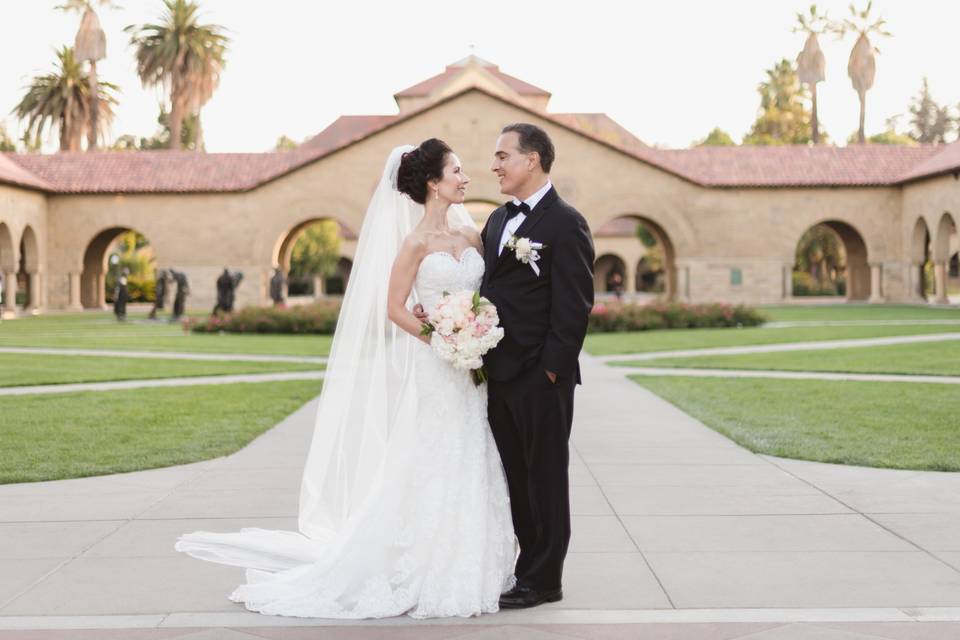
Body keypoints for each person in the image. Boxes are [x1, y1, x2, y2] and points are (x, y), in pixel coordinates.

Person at [175, 140, 516, 619]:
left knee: (471, 452)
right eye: (457, 171)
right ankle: (419, 563)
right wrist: (441, 337)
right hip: (439, 366)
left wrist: (472, 330)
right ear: (434, 184)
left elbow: (482, 293)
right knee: (432, 455)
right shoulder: (415, 244)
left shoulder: (474, 238)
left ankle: (470, 559)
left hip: (469, 369)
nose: (465, 178)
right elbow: (394, 307)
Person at [479, 123, 594, 609]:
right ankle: (527, 567)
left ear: (533, 160)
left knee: (545, 477)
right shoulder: (495, 220)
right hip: (497, 373)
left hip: (541, 377)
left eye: (503, 155)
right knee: (515, 477)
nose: (495, 165)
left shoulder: (565, 222)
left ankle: (546, 578)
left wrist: (551, 370)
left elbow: (575, 304)